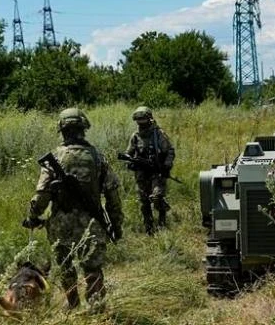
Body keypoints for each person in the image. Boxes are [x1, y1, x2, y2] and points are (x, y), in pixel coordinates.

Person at [23, 108, 124, 309]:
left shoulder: (55, 157)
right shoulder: (97, 157)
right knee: (93, 270)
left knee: (66, 269)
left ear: (61, 129)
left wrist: (33, 216)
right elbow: (113, 195)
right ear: (83, 128)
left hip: (61, 225)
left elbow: (42, 194)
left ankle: (73, 306)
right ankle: (96, 311)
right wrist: (116, 224)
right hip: (92, 224)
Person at [124, 106, 175, 234]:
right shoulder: (135, 136)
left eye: (143, 119)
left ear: (149, 119)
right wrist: (131, 162)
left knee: (157, 197)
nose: (140, 122)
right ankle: (149, 227)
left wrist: (166, 165)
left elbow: (170, 151)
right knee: (144, 201)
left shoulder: (158, 134)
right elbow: (128, 153)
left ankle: (162, 221)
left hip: (157, 172)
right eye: (138, 120)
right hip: (141, 173)